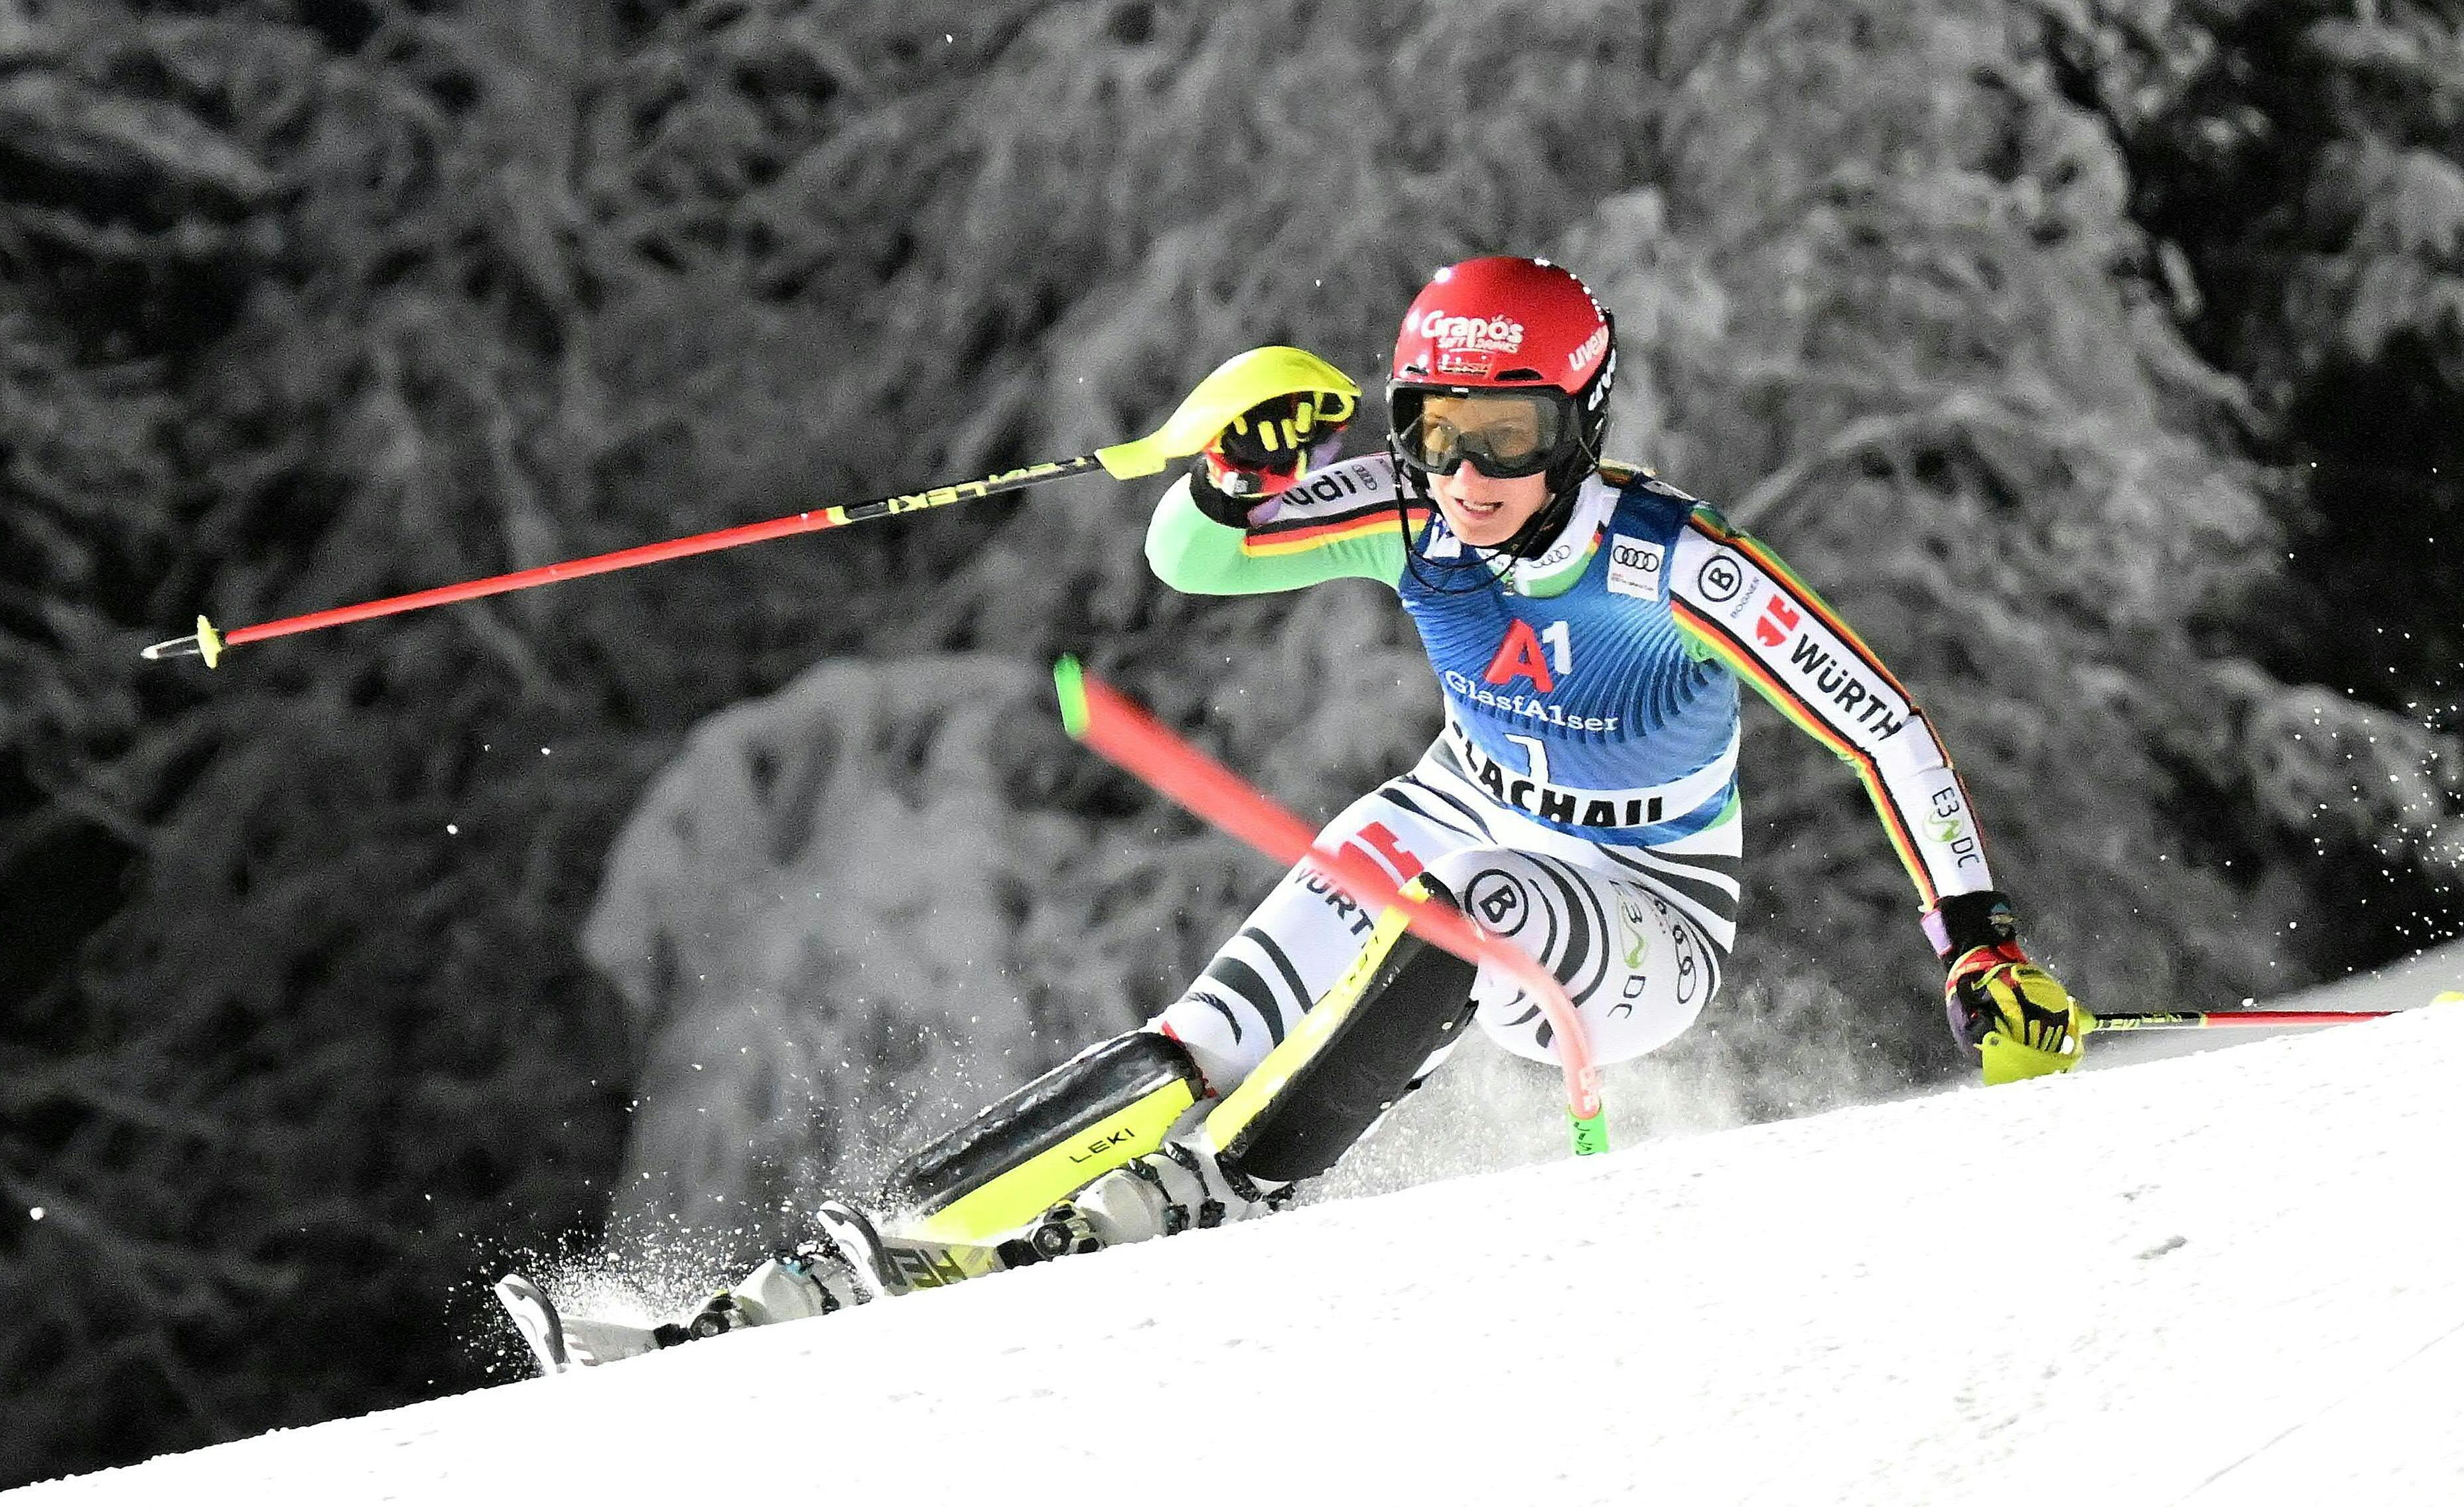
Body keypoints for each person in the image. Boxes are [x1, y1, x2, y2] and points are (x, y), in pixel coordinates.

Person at [681, 255, 2090, 1333]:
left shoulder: (1671, 563)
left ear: (1581, 426)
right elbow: (1197, 559)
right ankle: (896, 1234)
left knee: (1463, 896)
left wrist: (1978, 938)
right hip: (1460, 813)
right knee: (1228, 1014)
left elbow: (1884, 722)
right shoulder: (1411, 506)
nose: (1470, 475)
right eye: (1438, 430)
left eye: (1511, 435)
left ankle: (1230, 1187)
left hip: (1646, 913)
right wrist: (1233, 477)